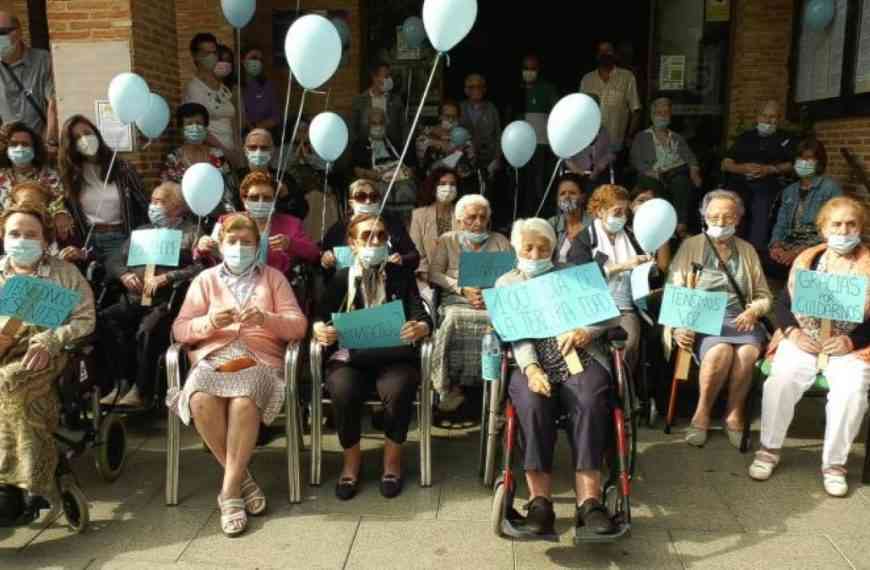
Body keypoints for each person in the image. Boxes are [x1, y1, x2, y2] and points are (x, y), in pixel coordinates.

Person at [169, 212, 308, 536]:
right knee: (201, 397)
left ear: (257, 246)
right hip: (214, 355)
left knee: (244, 401)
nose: (239, 248)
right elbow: (180, 329)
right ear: (220, 244)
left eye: (247, 242)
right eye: (232, 242)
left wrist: (266, 319)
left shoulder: (273, 278)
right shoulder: (205, 280)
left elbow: (298, 326)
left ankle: (229, 492)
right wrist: (210, 323)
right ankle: (242, 478)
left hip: (259, 356)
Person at [496, 217, 619, 536]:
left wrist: (586, 331)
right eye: (529, 247)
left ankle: (589, 501)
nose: (536, 254)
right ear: (516, 248)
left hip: (579, 356)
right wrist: (532, 368)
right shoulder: (507, 283)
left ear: (553, 249)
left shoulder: (572, 275)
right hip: (533, 359)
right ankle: (539, 502)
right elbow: (516, 335)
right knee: (532, 401)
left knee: (590, 399)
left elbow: (608, 314)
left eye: (543, 247)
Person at [750, 196, 870, 497]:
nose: (844, 230)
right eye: (837, 224)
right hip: (805, 338)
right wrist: (791, 331)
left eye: (851, 223)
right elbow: (783, 303)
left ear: (861, 227)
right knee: (781, 380)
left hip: (851, 346)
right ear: (823, 228)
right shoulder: (808, 260)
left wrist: (850, 340)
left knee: (852, 392)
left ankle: (834, 465)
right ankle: (769, 449)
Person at [313, 214, 432, 501]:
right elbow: (319, 315)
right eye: (367, 236)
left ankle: (392, 461)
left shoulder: (401, 277)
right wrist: (319, 328)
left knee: (399, 388)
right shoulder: (343, 277)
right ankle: (351, 462)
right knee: (342, 389)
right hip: (351, 358)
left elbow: (421, 314)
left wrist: (421, 326)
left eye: (380, 236)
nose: (375, 241)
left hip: (394, 357)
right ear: (352, 244)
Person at [0, 203, 95, 510]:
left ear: (44, 240)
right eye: (15, 233)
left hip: (43, 353)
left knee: (10, 382)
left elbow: (85, 320)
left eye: (31, 234)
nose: (22, 240)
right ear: (3, 236)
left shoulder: (64, 273)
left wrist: (52, 338)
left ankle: (25, 483)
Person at [668, 190, 772, 448]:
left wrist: (754, 310)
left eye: (727, 217)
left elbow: (764, 295)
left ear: (738, 218)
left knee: (747, 353)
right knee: (720, 352)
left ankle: (734, 414)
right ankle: (701, 413)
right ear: (704, 217)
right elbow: (675, 289)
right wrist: (677, 326)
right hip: (702, 318)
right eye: (713, 216)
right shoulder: (692, 246)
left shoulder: (747, 250)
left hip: (741, 319)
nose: (720, 222)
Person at [99, 182, 204, 408]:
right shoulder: (142, 231)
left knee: (148, 330)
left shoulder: (191, 233)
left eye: (160, 201)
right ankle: (121, 383)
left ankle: (141, 389)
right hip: (135, 296)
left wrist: (169, 277)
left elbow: (200, 267)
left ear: (177, 206)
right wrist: (125, 274)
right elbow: (114, 260)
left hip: (166, 299)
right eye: (152, 201)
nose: (153, 206)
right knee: (107, 319)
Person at [429, 194, 512, 411]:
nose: (477, 223)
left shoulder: (500, 241)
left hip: (492, 301)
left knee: (500, 321)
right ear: (458, 221)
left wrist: (492, 293)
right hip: (456, 300)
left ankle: (494, 385)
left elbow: (514, 275)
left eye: (483, 218)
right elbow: (434, 273)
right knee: (455, 318)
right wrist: (461, 287)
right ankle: (451, 385)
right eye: (471, 218)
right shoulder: (448, 240)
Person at [568, 185, 652, 373]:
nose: (622, 216)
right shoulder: (584, 239)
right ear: (599, 211)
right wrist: (623, 266)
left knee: (629, 345)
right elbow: (580, 278)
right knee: (590, 349)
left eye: (625, 212)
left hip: (625, 309)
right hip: (593, 308)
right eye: (617, 211)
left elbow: (648, 273)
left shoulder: (633, 237)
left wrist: (647, 266)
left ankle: (626, 391)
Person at [57, 115, 148, 264]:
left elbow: (143, 203)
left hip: (122, 238)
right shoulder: (70, 175)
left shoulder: (122, 168)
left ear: (96, 133)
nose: (84, 139)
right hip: (88, 242)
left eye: (87, 133)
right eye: (77, 138)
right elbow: (61, 206)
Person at [197, 171, 319, 275]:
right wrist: (202, 247)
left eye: (267, 198)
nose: (261, 202)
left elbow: (314, 253)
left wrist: (290, 244)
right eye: (254, 198)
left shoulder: (292, 224)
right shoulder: (226, 221)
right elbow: (207, 255)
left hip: (276, 288)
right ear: (244, 199)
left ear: (275, 200)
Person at [721, 100, 795, 252]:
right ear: (757, 117)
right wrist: (742, 168)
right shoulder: (745, 137)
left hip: (769, 182)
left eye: (773, 116)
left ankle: (755, 252)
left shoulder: (786, 139)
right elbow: (726, 163)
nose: (768, 120)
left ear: (778, 118)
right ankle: (728, 248)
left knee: (761, 202)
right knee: (731, 203)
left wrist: (769, 169)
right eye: (764, 116)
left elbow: (793, 164)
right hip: (741, 181)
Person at [768, 138, 842, 279]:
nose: (803, 163)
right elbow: (781, 223)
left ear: (819, 162)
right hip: (789, 245)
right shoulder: (789, 191)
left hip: (817, 247)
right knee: (765, 263)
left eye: (809, 159)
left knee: (805, 268)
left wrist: (799, 251)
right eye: (800, 158)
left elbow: (833, 230)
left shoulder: (830, 188)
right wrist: (776, 245)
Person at [630, 97, 702, 238]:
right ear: (652, 115)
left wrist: (694, 173)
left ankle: (680, 225)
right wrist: (650, 172)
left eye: (666, 113)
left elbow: (691, 158)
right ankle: (664, 223)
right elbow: (635, 160)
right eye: (659, 112)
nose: (663, 116)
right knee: (651, 183)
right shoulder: (642, 137)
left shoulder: (676, 137)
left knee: (681, 181)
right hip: (653, 173)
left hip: (676, 171)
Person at [320, 179, 419, 279]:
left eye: (373, 197)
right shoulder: (339, 228)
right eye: (361, 197)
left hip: (390, 285)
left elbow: (414, 257)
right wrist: (325, 258)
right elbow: (322, 255)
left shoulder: (393, 224)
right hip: (351, 287)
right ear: (351, 203)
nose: (368, 201)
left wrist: (401, 259)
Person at [161, 103, 237, 214]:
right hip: (185, 217)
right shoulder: (173, 160)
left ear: (206, 128)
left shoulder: (217, 155)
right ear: (181, 129)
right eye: (189, 123)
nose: (195, 127)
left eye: (199, 123)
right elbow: (168, 193)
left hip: (218, 215)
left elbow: (229, 188)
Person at [580, 41, 641, 178]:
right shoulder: (587, 79)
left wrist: (629, 137)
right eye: (601, 51)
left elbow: (635, 111)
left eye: (608, 51)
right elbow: (580, 113)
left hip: (616, 145)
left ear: (615, 55)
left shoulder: (627, 77)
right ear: (597, 55)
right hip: (591, 145)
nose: (605, 54)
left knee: (614, 183)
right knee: (591, 183)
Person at [0, 12, 58, 152]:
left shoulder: (42, 60)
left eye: (2, 32)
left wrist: (49, 141)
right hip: (9, 150)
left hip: (41, 146)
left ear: (18, 32)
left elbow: (53, 104)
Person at [0, 121, 69, 236]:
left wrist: (59, 214)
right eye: (13, 144)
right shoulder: (1, 176)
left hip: (42, 236)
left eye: (25, 144)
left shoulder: (49, 175)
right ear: (6, 149)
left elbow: (57, 203)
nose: (19, 148)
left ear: (34, 149)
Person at [512, 54, 560, 218]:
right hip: (518, 146)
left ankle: (542, 217)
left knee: (539, 184)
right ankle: (521, 216)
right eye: (526, 68)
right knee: (521, 184)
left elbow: (556, 114)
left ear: (539, 71)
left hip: (541, 144)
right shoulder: (516, 89)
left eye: (532, 69)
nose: (529, 72)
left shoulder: (548, 89)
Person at [183, 33, 241, 166]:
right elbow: (197, 126)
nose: (211, 56)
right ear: (196, 56)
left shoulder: (224, 89)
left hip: (232, 155)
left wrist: (237, 149)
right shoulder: (194, 88)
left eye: (214, 52)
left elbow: (232, 121)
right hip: (211, 157)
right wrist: (225, 151)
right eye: (206, 53)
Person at [351, 108, 416, 224]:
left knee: (407, 188)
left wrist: (404, 173)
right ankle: (382, 224)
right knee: (382, 190)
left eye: (381, 123)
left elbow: (410, 166)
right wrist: (379, 176)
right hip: (375, 179)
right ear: (368, 125)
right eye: (374, 123)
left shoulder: (395, 142)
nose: (378, 126)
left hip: (399, 179)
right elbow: (357, 170)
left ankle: (406, 225)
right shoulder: (360, 144)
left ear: (386, 124)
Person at [235, 128, 307, 220]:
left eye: (264, 148)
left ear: (272, 150)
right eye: (253, 147)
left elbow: (301, 213)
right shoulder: (234, 179)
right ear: (245, 150)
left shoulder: (285, 178)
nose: (258, 152)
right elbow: (227, 213)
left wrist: (286, 197)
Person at [409, 168, 459, 300]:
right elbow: (417, 253)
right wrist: (431, 277)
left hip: (459, 278)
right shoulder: (419, 215)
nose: (448, 188)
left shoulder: (463, 214)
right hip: (427, 279)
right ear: (433, 187)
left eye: (452, 184)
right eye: (442, 184)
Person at [415, 100, 478, 192]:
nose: (451, 120)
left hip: (459, 185)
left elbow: (472, 160)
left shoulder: (464, 135)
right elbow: (420, 158)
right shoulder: (427, 133)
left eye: (454, 117)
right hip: (433, 184)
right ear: (440, 117)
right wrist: (447, 146)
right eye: (447, 116)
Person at [565, 95, 615, 194]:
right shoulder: (572, 129)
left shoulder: (603, 130)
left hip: (598, 172)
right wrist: (575, 168)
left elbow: (610, 154)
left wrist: (600, 167)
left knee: (600, 188)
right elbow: (564, 155)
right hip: (577, 172)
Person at [350, 61, 407, 146]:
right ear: (375, 77)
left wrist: (403, 146)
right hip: (367, 150)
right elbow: (353, 128)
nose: (389, 80)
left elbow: (404, 126)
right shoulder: (360, 100)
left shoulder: (396, 100)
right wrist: (359, 146)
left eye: (390, 76)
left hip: (392, 149)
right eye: (386, 76)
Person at [460, 73, 502, 185]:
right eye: (472, 87)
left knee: (485, 198)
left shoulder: (491, 109)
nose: (476, 90)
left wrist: (496, 159)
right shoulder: (460, 108)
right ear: (466, 90)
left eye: (479, 86)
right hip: (464, 162)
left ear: (484, 89)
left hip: (487, 163)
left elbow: (498, 136)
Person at [548, 173, 591, 263]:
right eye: (562, 194)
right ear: (557, 199)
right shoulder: (552, 223)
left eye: (572, 193)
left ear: (583, 197)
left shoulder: (594, 224)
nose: (567, 197)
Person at [629, 182, 672, 271]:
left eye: (650, 201)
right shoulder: (623, 231)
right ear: (631, 205)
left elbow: (663, 266)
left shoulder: (661, 229)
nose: (646, 205)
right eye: (641, 200)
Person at [241, 46, 280, 138]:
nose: (257, 62)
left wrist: (257, 128)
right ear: (242, 61)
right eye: (253, 58)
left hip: (265, 133)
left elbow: (276, 116)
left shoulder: (267, 85)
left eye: (260, 60)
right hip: (242, 133)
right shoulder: (236, 86)